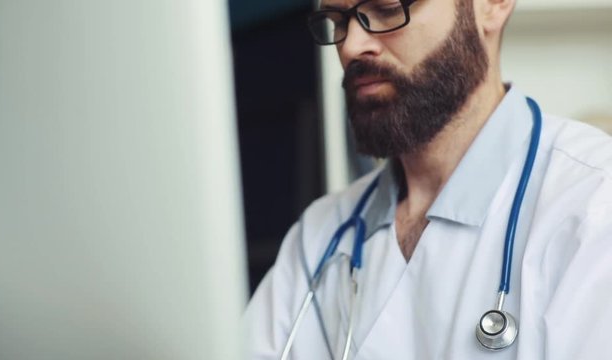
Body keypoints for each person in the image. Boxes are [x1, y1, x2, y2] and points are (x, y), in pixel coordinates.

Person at [245, 0, 612, 358]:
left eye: (387, 9)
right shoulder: (318, 237)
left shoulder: (593, 204)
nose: (351, 46)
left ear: (493, 5)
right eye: (339, 21)